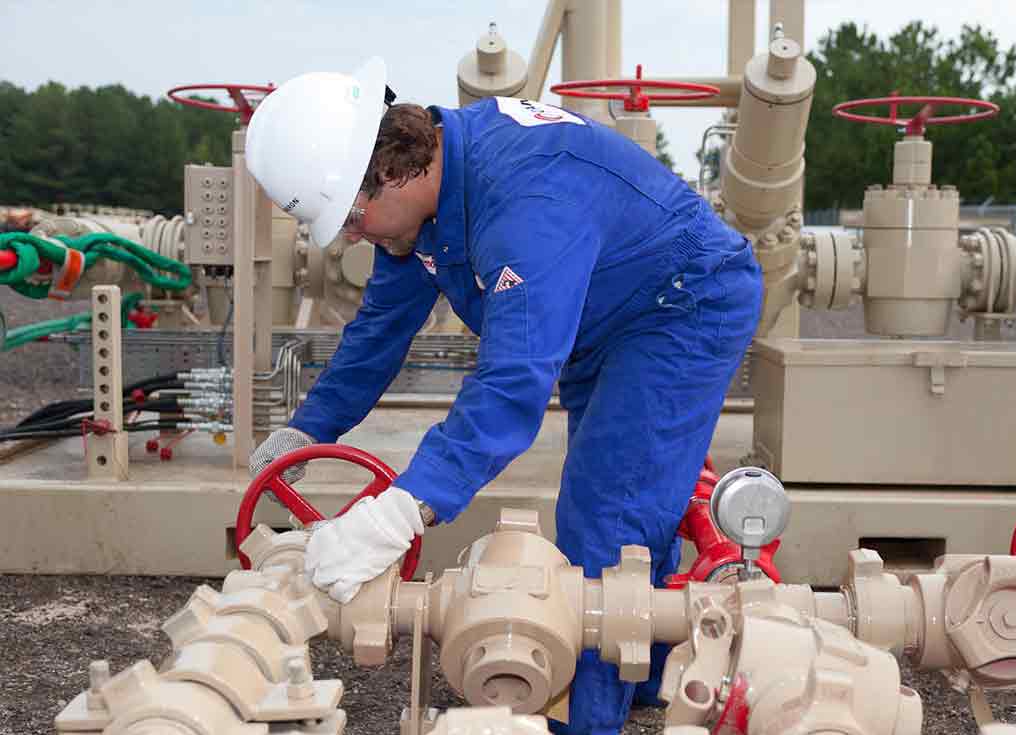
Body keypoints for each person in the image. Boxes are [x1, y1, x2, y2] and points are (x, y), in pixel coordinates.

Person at [245, 58, 762, 735]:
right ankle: (647, 673)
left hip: (681, 304)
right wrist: (308, 430)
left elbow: (511, 386)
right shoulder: (427, 200)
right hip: (609, 310)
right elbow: (377, 333)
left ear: (391, 172)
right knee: (628, 504)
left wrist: (397, 512)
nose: (349, 236)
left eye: (350, 215)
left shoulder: (524, 204)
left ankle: (589, 718)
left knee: (607, 513)